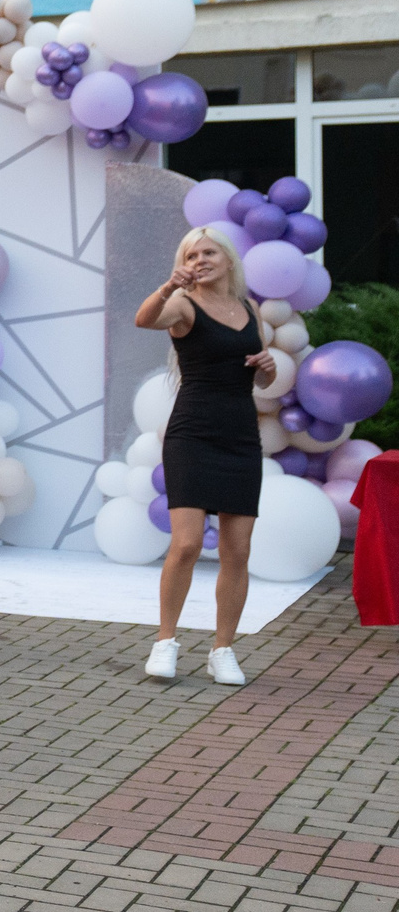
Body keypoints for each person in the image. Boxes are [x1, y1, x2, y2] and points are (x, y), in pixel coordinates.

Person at [137, 227, 277, 685]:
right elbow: (144, 320)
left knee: (238, 549)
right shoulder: (182, 303)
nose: (201, 259)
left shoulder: (248, 309)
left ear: (228, 258)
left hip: (239, 436)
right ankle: (165, 642)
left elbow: (258, 380)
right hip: (193, 433)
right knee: (187, 543)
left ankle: (223, 649)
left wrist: (267, 369)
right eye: (192, 253)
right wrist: (168, 286)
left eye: (209, 251)